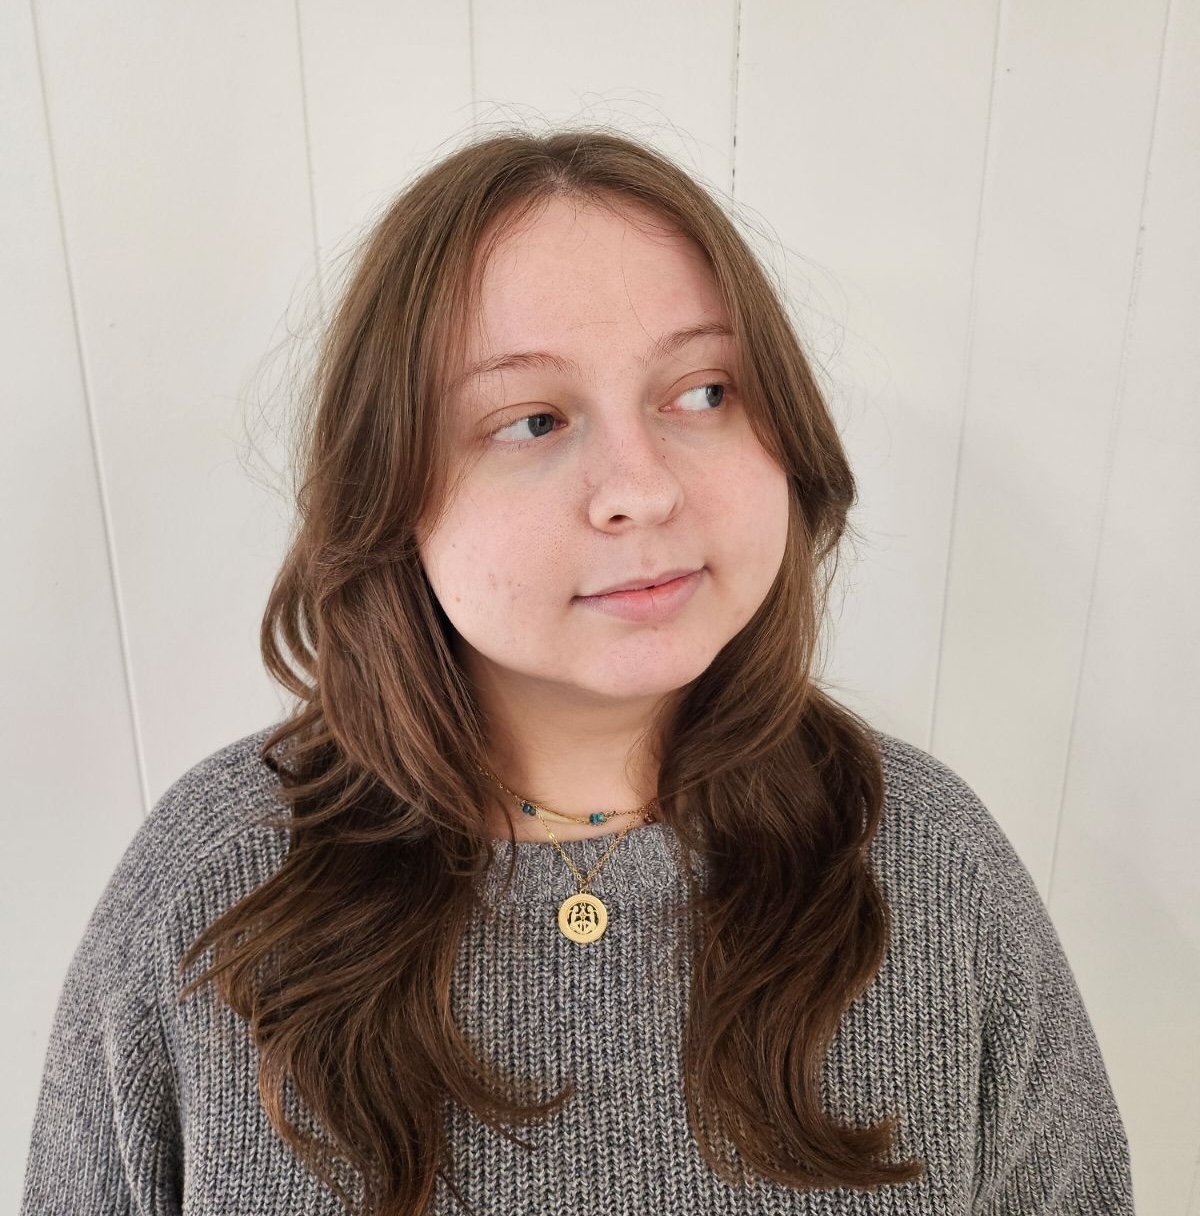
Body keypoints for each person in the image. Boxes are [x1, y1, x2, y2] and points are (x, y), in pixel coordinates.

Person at [20, 128, 1134, 1215]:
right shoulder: (215, 886)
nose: (641, 489)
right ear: (391, 487)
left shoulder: (928, 866)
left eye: (703, 392)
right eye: (533, 419)